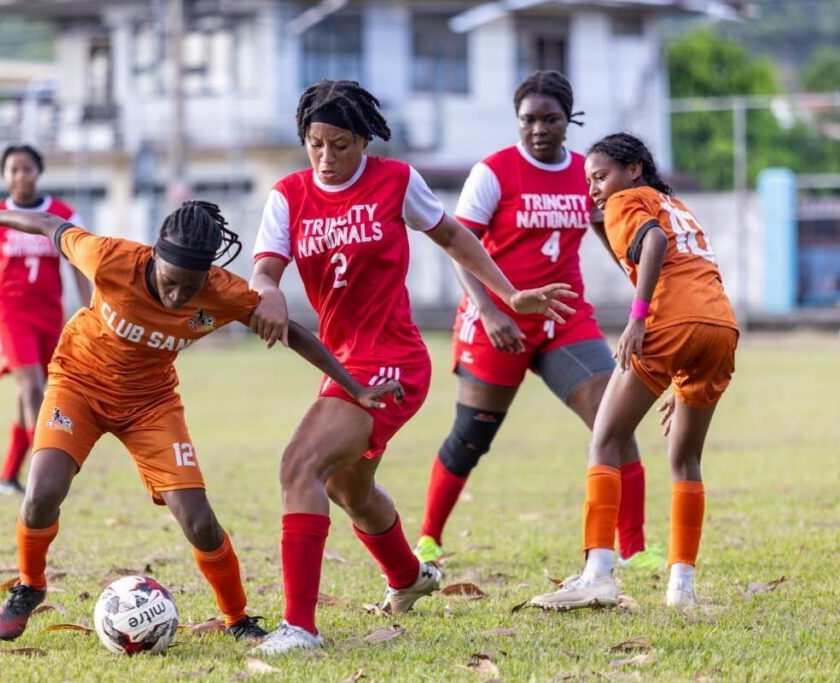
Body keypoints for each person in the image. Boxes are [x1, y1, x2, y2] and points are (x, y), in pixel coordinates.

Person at [0, 194, 401, 643]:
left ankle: (237, 617)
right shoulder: (108, 257)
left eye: (191, 286)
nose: (179, 295)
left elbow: (292, 333)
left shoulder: (220, 291)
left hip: (151, 404)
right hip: (78, 384)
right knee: (42, 493)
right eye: (171, 280)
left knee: (199, 521)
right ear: (155, 256)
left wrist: (354, 385)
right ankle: (30, 584)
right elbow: (46, 226)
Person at [247, 79, 577, 655]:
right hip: (343, 365)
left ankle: (299, 628)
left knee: (298, 466)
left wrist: (508, 294)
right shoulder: (288, 195)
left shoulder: (396, 181)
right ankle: (407, 577)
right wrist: (265, 290)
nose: (326, 157)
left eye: (341, 144)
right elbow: (265, 271)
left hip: (394, 362)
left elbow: (455, 237)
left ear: (366, 141)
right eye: (315, 143)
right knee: (350, 488)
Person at [414, 71, 658, 570]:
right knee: (471, 437)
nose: (539, 128)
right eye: (529, 119)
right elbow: (460, 250)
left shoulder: (587, 174)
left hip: (564, 321)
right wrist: (487, 310)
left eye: (550, 119)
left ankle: (633, 549)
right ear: (517, 121)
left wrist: (643, 289)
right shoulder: (494, 172)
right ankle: (429, 540)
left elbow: (609, 235)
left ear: (569, 120)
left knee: (616, 422)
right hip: (496, 321)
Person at [529, 132, 738, 610]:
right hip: (720, 327)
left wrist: (638, 318)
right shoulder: (671, 202)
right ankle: (680, 588)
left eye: (600, 176)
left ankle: (598, 574)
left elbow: (655, 243)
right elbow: (649, 251)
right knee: (686, 459)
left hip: (669, 322)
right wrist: (599, 226)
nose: (595, 188)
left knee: (606, 440)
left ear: (633, 169)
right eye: (589, 181)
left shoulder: (627, 200)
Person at [0, 144, 91, 495]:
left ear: (39, 172)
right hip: (9, 314)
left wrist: (92, 313)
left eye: (26, 169)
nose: (20, 176)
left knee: (28, 392)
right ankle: (41, 473)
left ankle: (7, 475)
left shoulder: (63, 215)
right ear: (4, 175)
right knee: (32, 388)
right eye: (13, 170)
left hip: (49, 315)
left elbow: (79, 266)